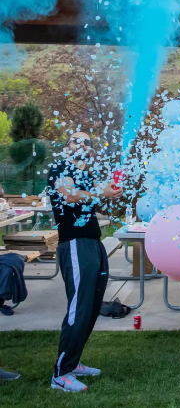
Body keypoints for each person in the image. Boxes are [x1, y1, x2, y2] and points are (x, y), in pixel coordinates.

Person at [47, 132, 122, 392]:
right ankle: (61, 374)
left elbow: (91, 199)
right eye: (76, 140)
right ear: (67, 146)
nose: (82, 145)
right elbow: (68, 195)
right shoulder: (60, 168)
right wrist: (100, 191)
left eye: (87, 142)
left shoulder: (85, 176)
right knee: (79, 307)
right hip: (75, 244)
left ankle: (73, 362)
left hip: (93, 243)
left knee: (91, 307)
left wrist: (110, 193)